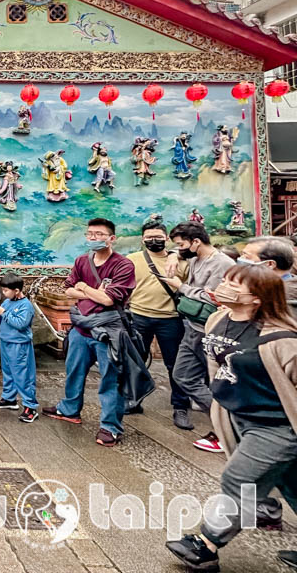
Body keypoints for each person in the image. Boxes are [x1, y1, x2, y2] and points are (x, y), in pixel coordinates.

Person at [166, 265, 297, 572]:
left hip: (276, 424)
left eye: (234, 285)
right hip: (238, 416)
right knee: (292, 486)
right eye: (224, 280)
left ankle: (207, 545)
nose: (224, 287)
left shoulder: (283, 339)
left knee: (239, 480)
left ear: (257, 298)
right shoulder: (217, 319)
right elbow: (219, 366)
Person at [44, 218, 137, 447]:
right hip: (80, 328)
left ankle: (110, 426)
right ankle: (69, 409)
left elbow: (108, 299)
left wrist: (83, 288)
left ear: (111, 238)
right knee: (73, 371)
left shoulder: (123, 265)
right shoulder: (81, 261)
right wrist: (91, 292)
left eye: (99, 234)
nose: (94, 238)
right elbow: (67, 290)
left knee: (110, 379)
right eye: (90, 234)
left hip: (109, 331)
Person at [166, 222, 235, 453]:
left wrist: (181, 287)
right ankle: (223, 419)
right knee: (183, 375)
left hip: (210, 328)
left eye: (181, 244)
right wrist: (174, 254)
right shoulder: (195, 260)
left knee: (212, 378)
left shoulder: (223, 263)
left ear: (196, 242)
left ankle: (227, 422)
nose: (179, 248)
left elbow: (215, 297)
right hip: (192, 326)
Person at [126, 220, 193, 430]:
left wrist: (175, 253)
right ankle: (134, 399)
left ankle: (181, 407)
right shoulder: (132, 260)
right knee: (136, 361)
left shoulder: (181, 262)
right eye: (148, 238)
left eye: (158, 237)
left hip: (171, 318)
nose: (153, 241)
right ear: (142, 239)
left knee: (175, 364)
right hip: (139, 316)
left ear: (166, 238)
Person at [0, 273, 38, 422]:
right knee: (8, 372)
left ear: (16, 290)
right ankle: (9, 398)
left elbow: (20, 324)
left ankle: (30, 406)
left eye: (6, 291)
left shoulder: (26, 305)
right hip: (5, 341)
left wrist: (4, 313)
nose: (4, 293)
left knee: (23, 375)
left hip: (19, 344)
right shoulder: (7, 302)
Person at [239, 236, 297, 305]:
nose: (241, 259)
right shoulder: (265, 286)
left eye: (246, 257)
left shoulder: (281, 296)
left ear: (270, 264)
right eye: (242, 255)